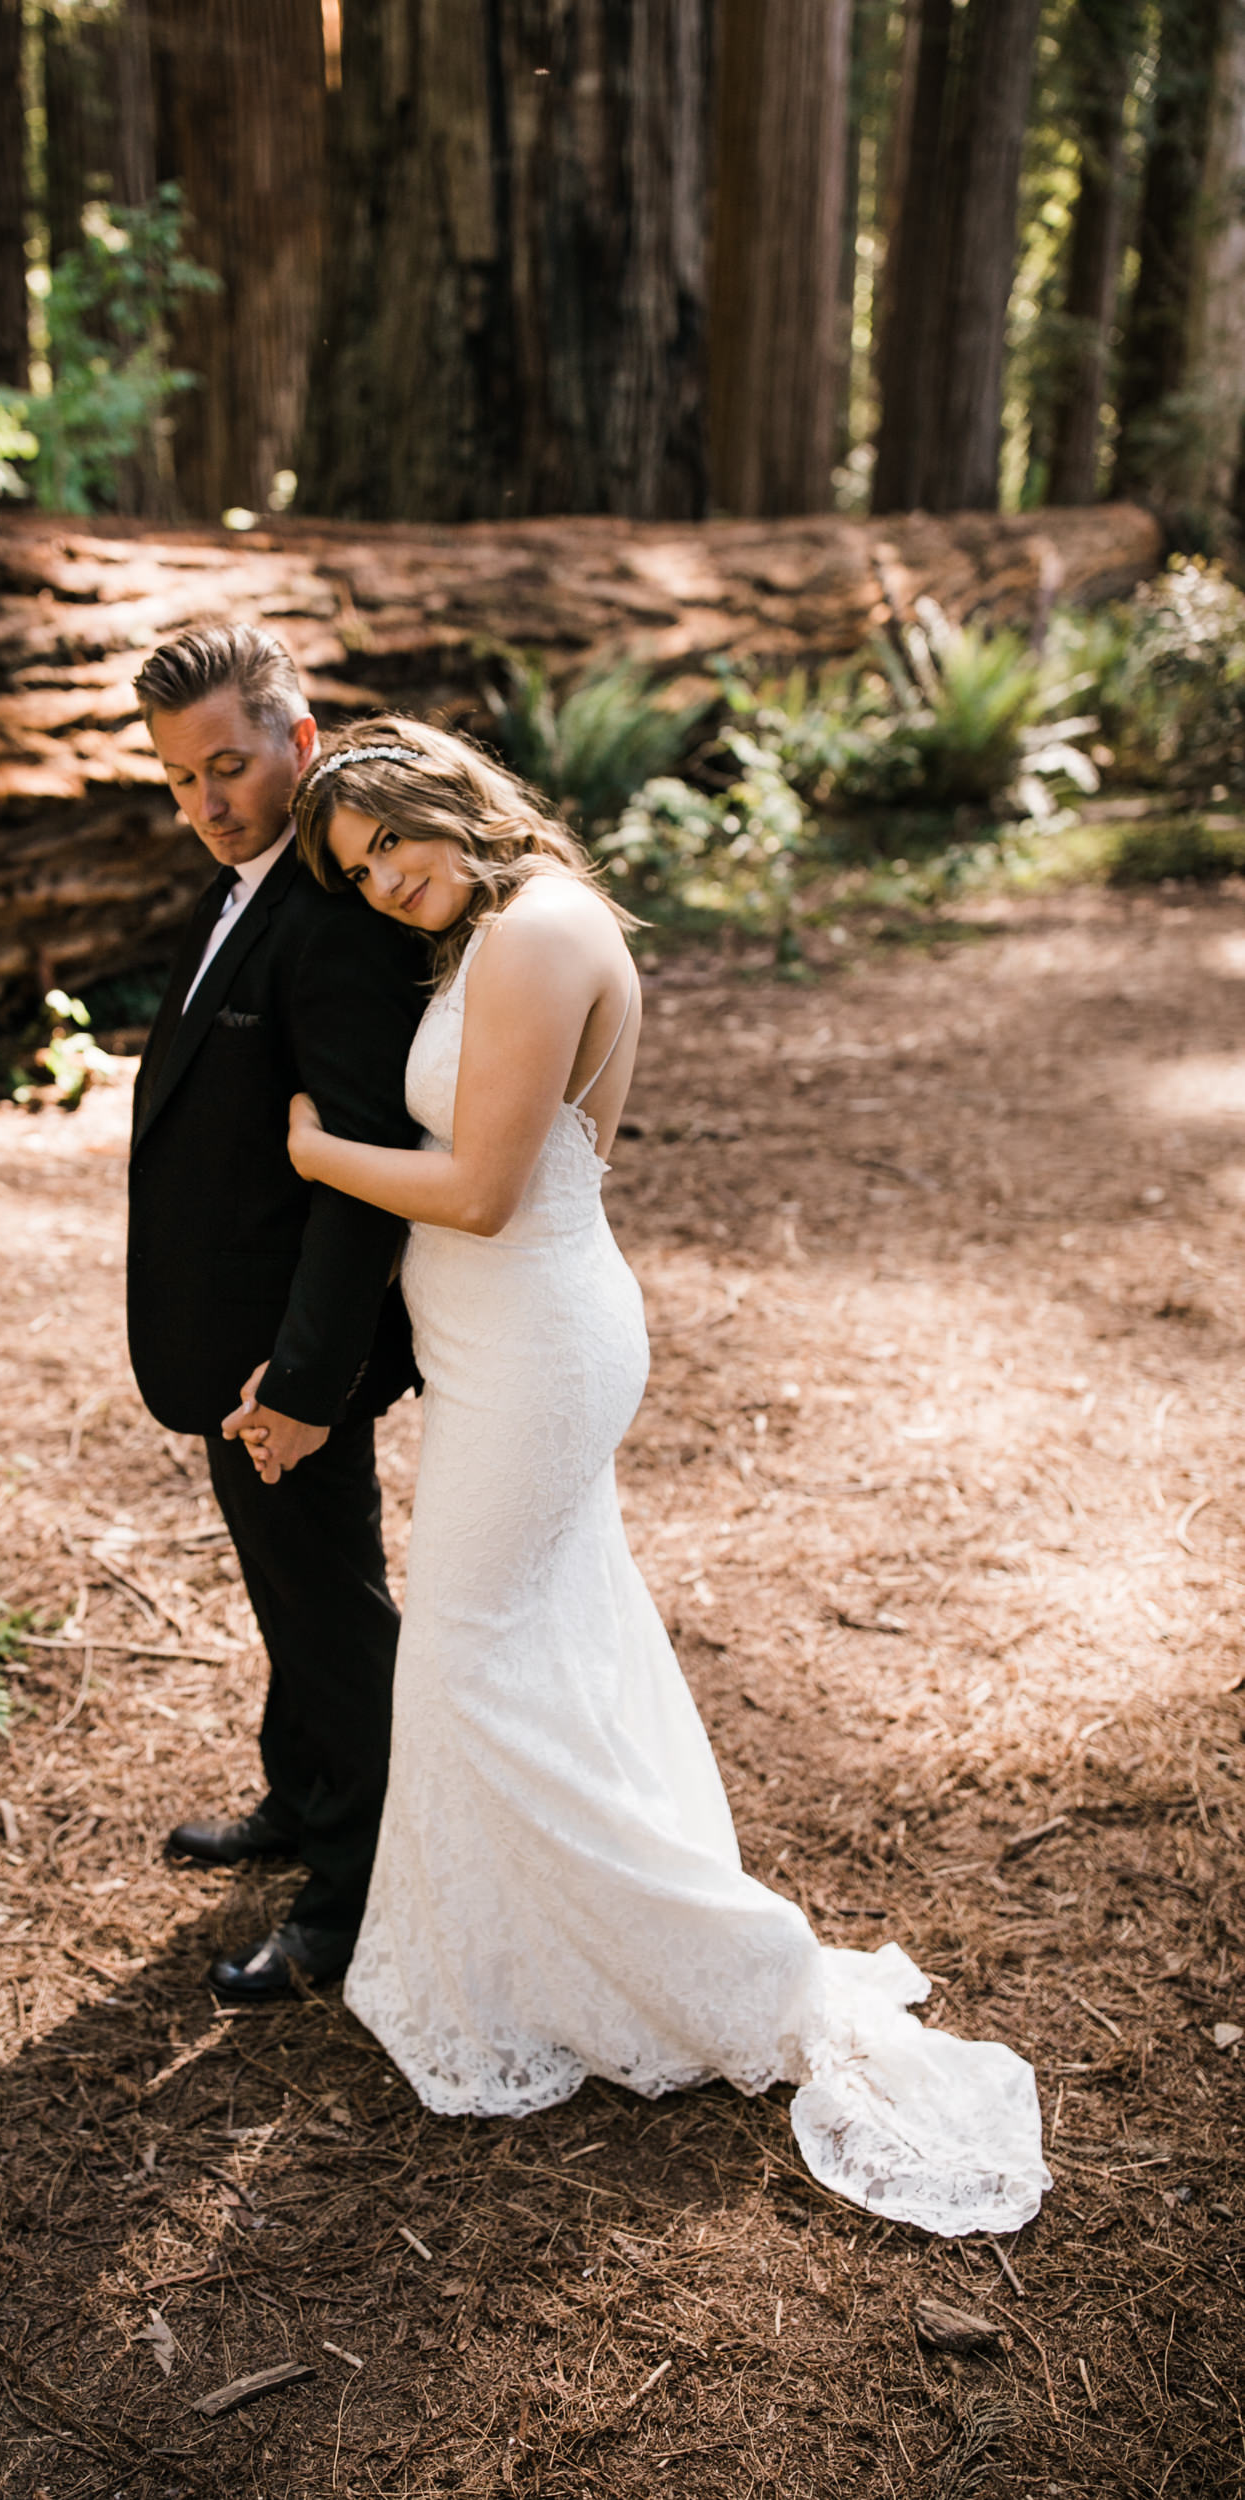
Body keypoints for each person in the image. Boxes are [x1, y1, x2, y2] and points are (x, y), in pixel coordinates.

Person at [264, 715, 1050, 2236]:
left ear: (450, 796)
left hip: (538, 1340)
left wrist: (315, 1152)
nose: (381, 883)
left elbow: (485, 1190)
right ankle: (547, 1958)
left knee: (466, 1660)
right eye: (357, 873)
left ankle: (730, 1966)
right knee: (551, 1639)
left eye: (390, 844)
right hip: (501, 1345)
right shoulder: (495, 928)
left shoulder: (543, 929)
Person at [125, 628, 425, 2002]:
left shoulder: (337, 917)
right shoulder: (237, 887)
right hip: (227, 1345)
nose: (207, 803)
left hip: (292, 1358)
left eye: (229, 767)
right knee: (283, 1592)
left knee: (332, 1610)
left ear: (299, 742)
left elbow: (362, 1176)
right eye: (182, 781)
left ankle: (359, 1896)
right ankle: (303, 1799)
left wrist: (308, 1380)